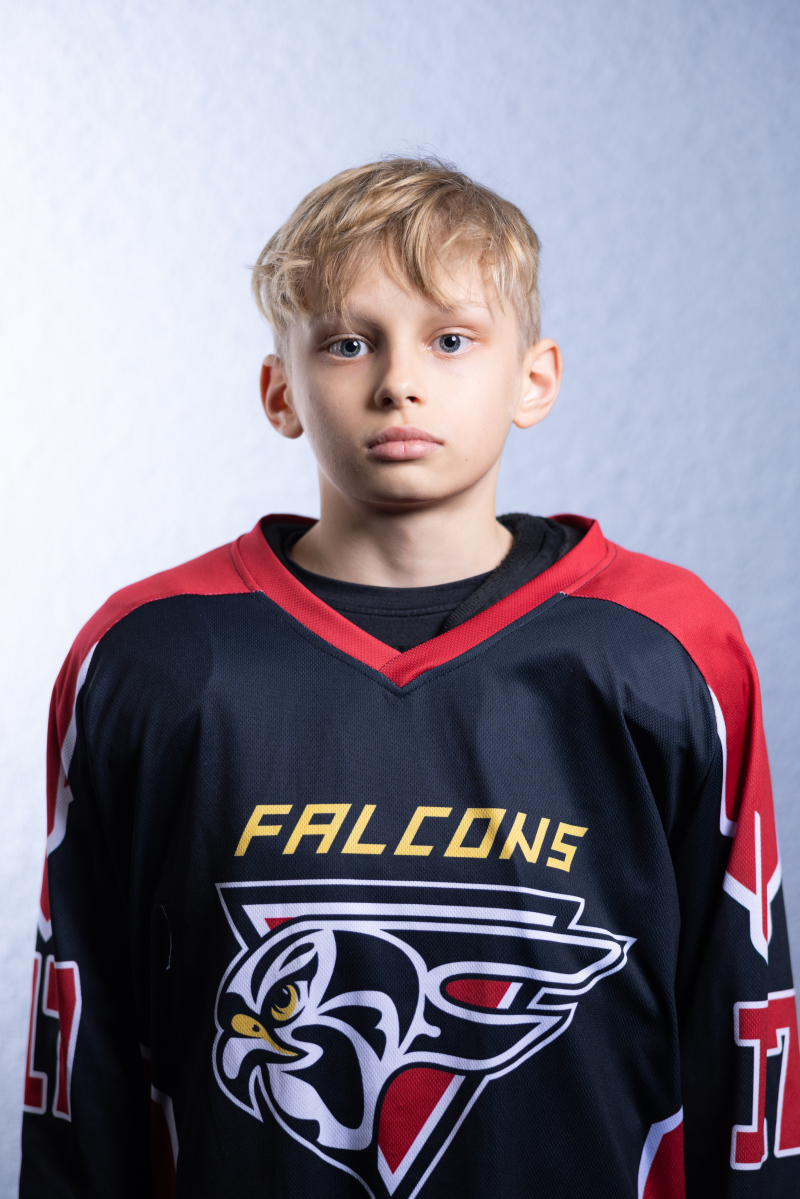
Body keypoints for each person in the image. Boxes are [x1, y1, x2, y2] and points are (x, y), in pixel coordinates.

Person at [19, 157, 799, 1199]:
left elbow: (741, 1009)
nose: (398, 381)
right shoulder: (152, 657)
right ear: (279, 391)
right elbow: (86, 1046)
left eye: (450, 340)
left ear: (533, 379)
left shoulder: (663, 645)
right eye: (348, 343)